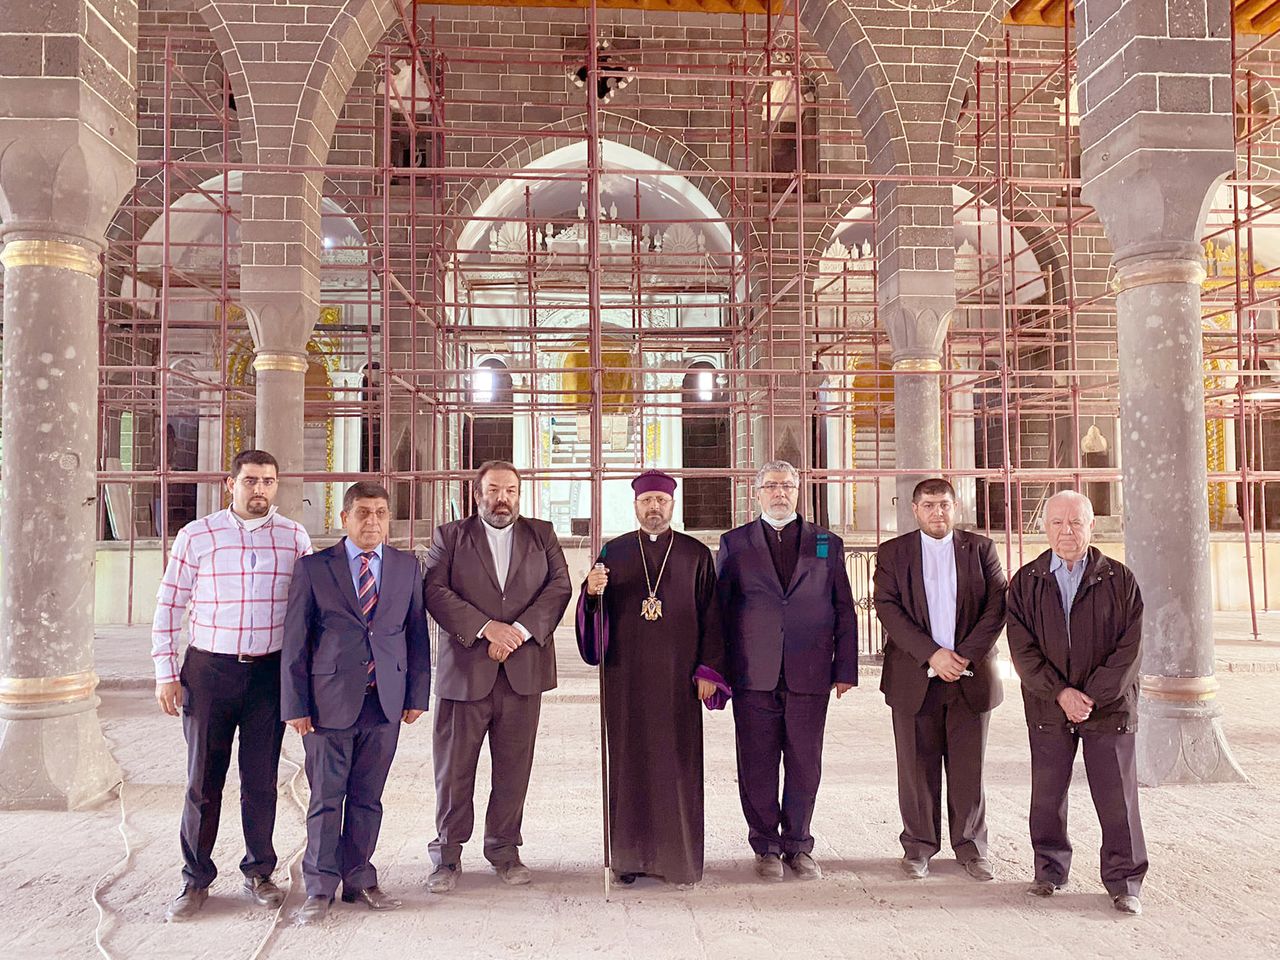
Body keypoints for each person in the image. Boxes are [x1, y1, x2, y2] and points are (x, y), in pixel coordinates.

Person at [151, 449, 312, 922]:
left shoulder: (293, 537)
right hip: (209, 671)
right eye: (250, 480)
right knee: (203, 779)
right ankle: (195, 878)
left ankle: (259, 871)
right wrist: (165, 672)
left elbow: (307, 609)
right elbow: (169, 605)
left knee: (261, 779)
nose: (259, 489)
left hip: (268, 675)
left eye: (268, 481)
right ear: (231, 483)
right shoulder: (197, 535)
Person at [281, 480, 432, 924]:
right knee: (326, 798)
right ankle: (319, 887)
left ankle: (360, 879)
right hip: (327, 703)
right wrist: (295, 705)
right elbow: (295, 642)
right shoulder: (314, 568)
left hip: (384, 702)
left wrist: (416, 694)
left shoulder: (407, 567)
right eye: (363, 513)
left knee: (368, 798)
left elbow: (417, 634)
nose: (373, 521)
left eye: (381, 513)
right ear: (344, 518)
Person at [423, 460, 572, 892]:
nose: (502, 499)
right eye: (493, 490)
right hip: (466, 672)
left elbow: (559, 588)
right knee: (454, 769)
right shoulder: (450, 537)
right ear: (477, 494)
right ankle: (447, 855)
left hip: (522, 673)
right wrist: (487, 628)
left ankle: (504, 850)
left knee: (513, 769)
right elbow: (434, 591)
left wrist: (518, 632)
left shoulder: (541, 535)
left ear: (519, 495)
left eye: (510, 491)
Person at [576, 469, 729, 887]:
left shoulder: (696, 555)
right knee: (629, 765)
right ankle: (628, 860)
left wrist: (709, 669)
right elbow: (594, 614)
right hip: (626, 679)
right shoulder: (613, 552)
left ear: (672, 505)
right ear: (636, 506)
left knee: (677, 768)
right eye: (647, 501)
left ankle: (679, 862)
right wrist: (591, 593)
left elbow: (714, 616)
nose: (654, 507)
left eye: (661, 500)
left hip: (680, 681)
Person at [1006, 490, 1147, 915]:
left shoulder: (1120, 579)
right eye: (1057, 523)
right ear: (1044, 528)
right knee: (1047, 795)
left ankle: (1125, 881)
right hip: (1049, 707)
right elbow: (1022, 650)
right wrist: (1061, 693)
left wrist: (1091, 697)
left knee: (1117, 798)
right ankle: (1049, 871)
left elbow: (1130, 649)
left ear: (1091, 526)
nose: (1066, 531)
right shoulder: (1026, 581)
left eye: (1075, 522)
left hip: (1109, 707)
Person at [716, 460, 857, 882]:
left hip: (809, 671)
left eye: (788, 486)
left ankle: (798, 844)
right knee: (756, 763)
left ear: (798, 491)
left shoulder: (826, 543)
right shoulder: (735, 543)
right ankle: (765, 846)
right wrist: (718, 669)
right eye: (772, 486)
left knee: (804, 762)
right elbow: (720, 610)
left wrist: (845, 668)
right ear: (757, 492)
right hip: (752, 673)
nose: (780, 492)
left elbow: (843, 608)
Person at [872, 477, 1006, 882]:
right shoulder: (894, 553)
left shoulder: (981, 549)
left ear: (955, 506)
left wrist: (962, 656)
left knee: (969, 769)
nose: (937, 512)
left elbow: (997, 606)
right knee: (916, 770)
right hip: (915, 678)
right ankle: (918, 847)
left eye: (944, 504)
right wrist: (932, 654)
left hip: (970, 675)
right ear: (915, 510)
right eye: (929, 505)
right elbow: (888, 608)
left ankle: (971, 848)